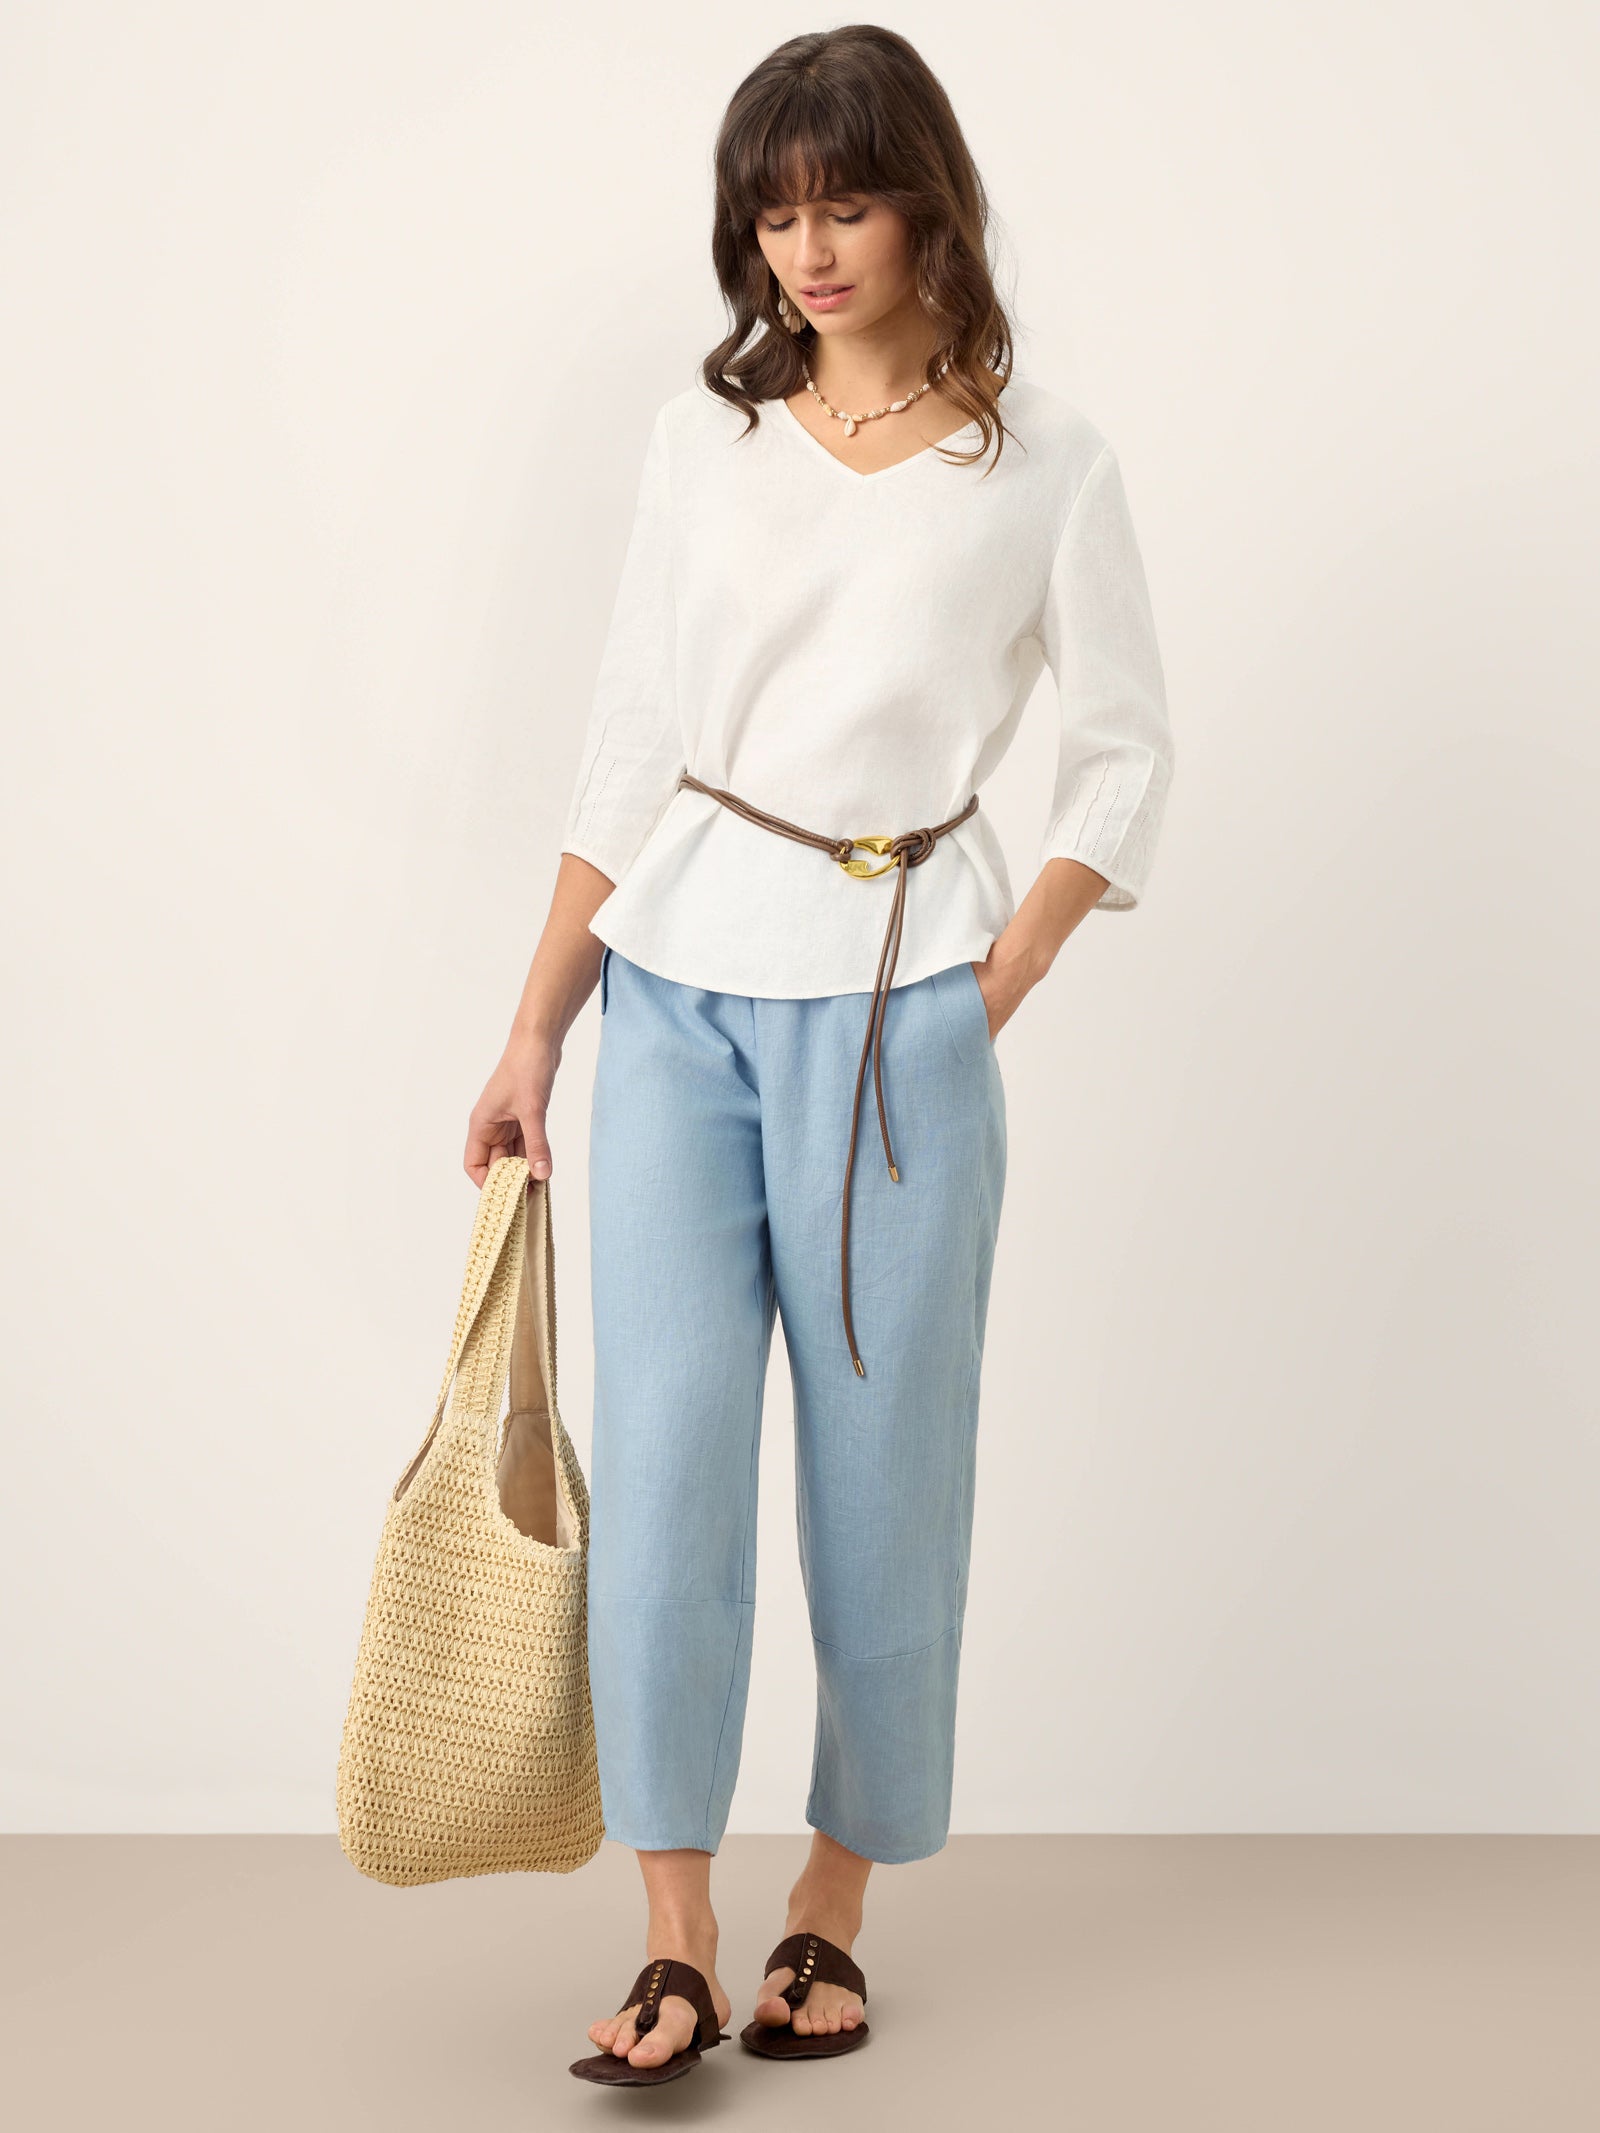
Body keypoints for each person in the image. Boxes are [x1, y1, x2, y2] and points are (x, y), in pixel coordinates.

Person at [465, 23, 1174, 2088]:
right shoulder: (707, 445)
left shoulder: (1045, 463)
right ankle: (675, 1932)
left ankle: (834, 1903)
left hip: (898, 1018)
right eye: (773, 216)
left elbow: (1122, 754)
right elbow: (631, 741)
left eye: (843, 203)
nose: (807, 250)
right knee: (668, 1470)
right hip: (677, 997)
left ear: (925, 200)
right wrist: (534, 1024)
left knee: (887, 1481)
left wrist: (989, 980)